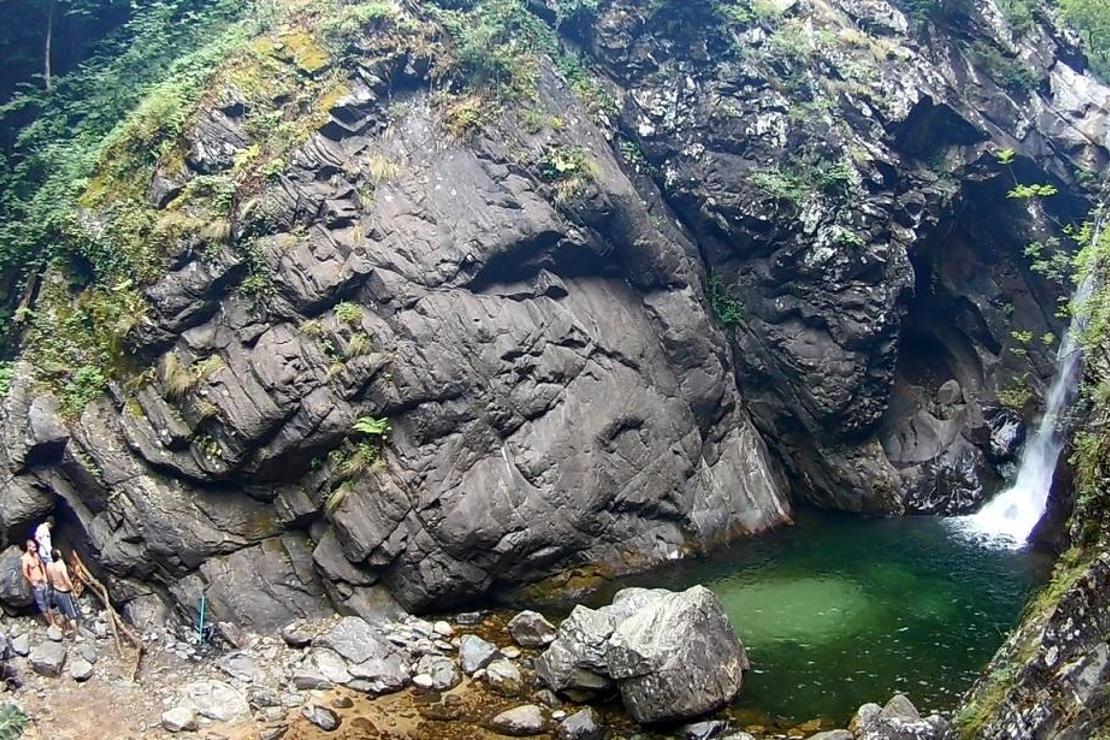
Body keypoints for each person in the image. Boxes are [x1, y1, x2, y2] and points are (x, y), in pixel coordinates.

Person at [19, 540, 53, 628]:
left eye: (35, 547)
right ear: (28, 547)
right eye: (33, 547)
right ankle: (51, 624)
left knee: (48, 602)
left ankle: (54, 622)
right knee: (43, 605)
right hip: (36, 584)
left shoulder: (36, 555)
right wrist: (31, 581)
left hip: (43, 581)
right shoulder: (25, 558)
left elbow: (41, 565)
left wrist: (45, 575)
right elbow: (25, 572)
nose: (35, 549)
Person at [46, 550, 78, 636]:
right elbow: (66, 579)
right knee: (72, 616)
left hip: (56, 591)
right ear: (59, 556)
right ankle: (76, 636)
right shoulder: (61, 565)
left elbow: (49, 578)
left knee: (62, 612)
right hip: (64, 592)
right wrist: (73, 591)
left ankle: (65, 630)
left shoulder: (49, 565)